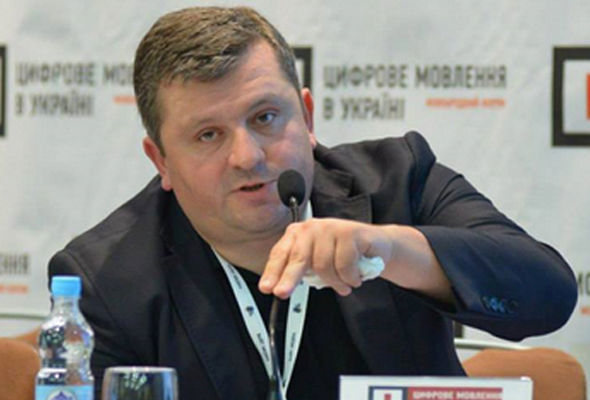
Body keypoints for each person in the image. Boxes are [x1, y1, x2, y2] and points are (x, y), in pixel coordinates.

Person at [48, 6, 577, 400]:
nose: (247, 156)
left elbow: (548, 294)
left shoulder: (398, 182)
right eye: (208, 135)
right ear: (160, 160)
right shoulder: (106, 282)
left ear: (306, 116)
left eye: (265, 118)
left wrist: (389, 249)